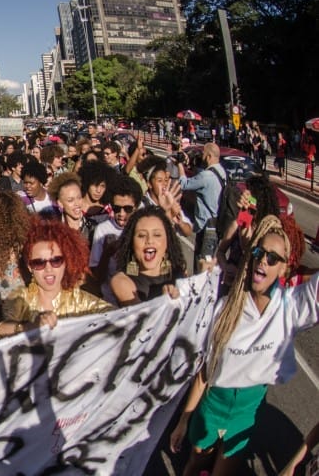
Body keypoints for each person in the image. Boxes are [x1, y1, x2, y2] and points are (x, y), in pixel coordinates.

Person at [169, 216, 318, 476]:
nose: (263, 261)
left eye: (273, 258)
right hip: (212, 407)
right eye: (259, 253)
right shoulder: (225, 310)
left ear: (283, 269)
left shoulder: (289, 309)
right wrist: (184, 418)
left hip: (245, 415)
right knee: (194, 464)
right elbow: (205, 372)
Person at [0, 218, 112, 338]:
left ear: (66, 262)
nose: (48, 268)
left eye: (56, 260)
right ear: (29, 267)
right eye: (39, 263)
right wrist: (29, 327)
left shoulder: (80, 301)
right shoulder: (20, 298)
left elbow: (115, 315)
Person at [110, 206, 187, 306]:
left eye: (157, 235)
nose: (149, 240)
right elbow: (142, 315)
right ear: (131, 242)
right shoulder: (121, 281)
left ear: (168, 241)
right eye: (142, 235)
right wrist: (163, 302)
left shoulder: (179, 271)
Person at [177, 143, 226, 272]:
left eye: (203, 154)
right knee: (209, 264)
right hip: (216, 225)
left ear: (209, 156)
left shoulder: (206, 176)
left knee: (201, 266)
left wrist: (180, 165)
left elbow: (184, 184)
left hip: (206, 228)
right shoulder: (222, 172)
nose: (201, 157)